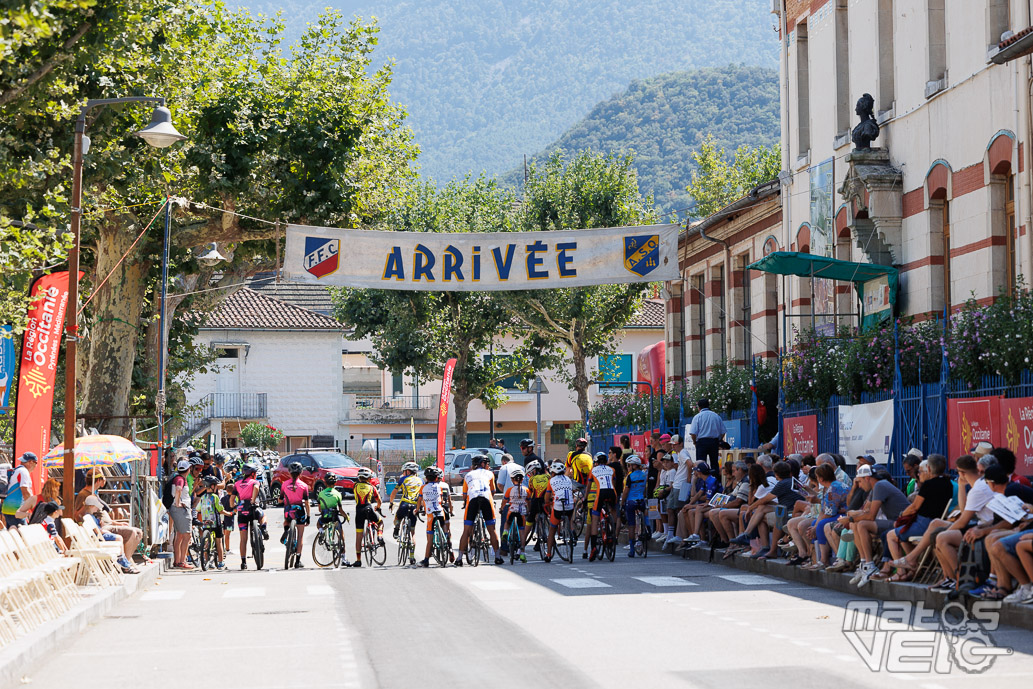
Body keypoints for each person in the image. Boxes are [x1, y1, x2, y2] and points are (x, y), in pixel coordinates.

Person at [457, 454, 502, 566]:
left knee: (466, 531)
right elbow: (493, 491)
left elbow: (464, 495)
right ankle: (497, 556)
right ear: (482, 464)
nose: (488, 466)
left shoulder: (468, 475)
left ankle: (459, 558)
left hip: (472, 499)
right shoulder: (490, 473)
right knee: (492, 530)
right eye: (487, 464)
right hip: (486, 498)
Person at [82, 496, 139, 573]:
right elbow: (96, 530)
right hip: (99, 537)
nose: (97, 509)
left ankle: (123, 560)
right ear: (92, 506)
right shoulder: (90, 517)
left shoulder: (90, 516)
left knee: (119, 538)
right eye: (96, 507)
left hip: (98, 537)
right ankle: (121, 560)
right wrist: (106, 531)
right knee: (119, 538)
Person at [234, 463, 270, 570]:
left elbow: (232, 498)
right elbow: (256, 488)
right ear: (253, 474)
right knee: (263, 516)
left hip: (241, 511)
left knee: (243, 539)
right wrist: (253, 500)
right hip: (253, 509)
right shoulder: (255, 482)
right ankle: (263, 528)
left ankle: (243, 562)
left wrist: (233, 505)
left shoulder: (237, 483)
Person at [418, 466, 452, 567]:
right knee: (445, 528)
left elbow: (420, 501)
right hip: (440, 512)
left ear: (426, 478)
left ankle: (426, 560)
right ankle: (447, 541)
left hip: (430, 514)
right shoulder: (440, 487)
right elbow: (441, 498)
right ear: (437, 478)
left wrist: (417, 509)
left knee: (429, 539)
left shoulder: (423, 488)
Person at [586, 452, 617, 561]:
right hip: (612, 493)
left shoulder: (593, 470)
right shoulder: (612, 470)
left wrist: (585, 498)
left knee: (595, 518)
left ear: (596, 462)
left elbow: (589, 487)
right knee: (612, 510)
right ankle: (613, 529)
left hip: (601, 493)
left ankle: (594, 547)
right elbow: (613, 483)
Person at [279, 462, 311, 568]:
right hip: (299, 510)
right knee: (300, 535)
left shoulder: (284, 484)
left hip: (288, 510)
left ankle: (286, 530)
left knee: (286, 520)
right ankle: (297, 561)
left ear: (289, 472)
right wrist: (308, 516)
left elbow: (280, 500)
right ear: (301, 472)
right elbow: (306, 503)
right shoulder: (304, 486)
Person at [352, 467, 384, 568]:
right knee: (380, 522)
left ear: (359, 478)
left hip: (359, 511)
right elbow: (379, 500)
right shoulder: (372, 487)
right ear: (369, 478)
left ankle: (358, 560)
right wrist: (378, 507)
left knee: (358, 536)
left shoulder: (355, 486)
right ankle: (379, 536)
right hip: (369, 508)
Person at [544, 461, 576, 563]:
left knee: (552, 530)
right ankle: (572, 532)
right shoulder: (568, 479)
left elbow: (547, 497)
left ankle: (548, 554)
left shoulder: (551, 481)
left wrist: (547, 502)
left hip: (558, 507)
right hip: (570, 505)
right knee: (570, 518)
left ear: (552, 473)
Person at [195, 476, 227, 570]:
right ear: (212, 486)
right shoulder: (215, 497)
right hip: (215, 523)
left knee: (206, 542)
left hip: (205, 523)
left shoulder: (203, 497)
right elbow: (220, 509)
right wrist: (228, 513)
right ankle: (221, 562)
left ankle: (205, 560)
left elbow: (198, 509)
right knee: (219, 541)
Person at [316, 480, 350, 566]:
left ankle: (321, 531)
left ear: (325, 483)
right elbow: (341, 510)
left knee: (318, 523)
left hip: (325, 517)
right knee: (341, 534)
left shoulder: (321, 493)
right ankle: (344, 558)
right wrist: (346, 516)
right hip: (334, 518)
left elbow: (319, 509)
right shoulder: (338, 494)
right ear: (335, 483)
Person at [499, 465, 530, 562]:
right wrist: (528, 510)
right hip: (522, 512)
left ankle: (505, 532)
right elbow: (528, 501)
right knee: (521, 531)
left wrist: (502, 508)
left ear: (512, 480)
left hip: (512, 510)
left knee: (507, 522)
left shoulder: (509, 490)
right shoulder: (526, 490)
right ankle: (523, 553)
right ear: (522, 479)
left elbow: (504, 501)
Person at [620, 455, 648, 558]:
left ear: (633, 466)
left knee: (631, 525)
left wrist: (622, 502)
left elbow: (626, 491)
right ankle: (647, 526)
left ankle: (632, 550)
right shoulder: (644, 475)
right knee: (645, 511)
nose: (628, 467)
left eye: (629, 465)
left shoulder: (630, 476)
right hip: (641, 500)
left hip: (631, 501)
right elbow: (644, 488)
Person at [2, 452, 38, 527]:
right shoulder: (23, 472)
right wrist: (34, 507)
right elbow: (25, 492)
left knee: (13, 535)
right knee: (22, 535)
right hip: (16, 510)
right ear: (30, 462)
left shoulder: (17, 470)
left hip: (8, 508)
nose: (36, 466)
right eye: (36, 463)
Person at [389, 461, 423, 540]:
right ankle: (411, 550)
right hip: (415, 506)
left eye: (404, 471)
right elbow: (422, 496)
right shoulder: (421, 481)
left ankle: (397, 528)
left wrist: (391, 503)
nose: (403, 473)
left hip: (404, 504)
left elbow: (393, 493)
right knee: (412, 532)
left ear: (408, 471)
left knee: (398, 517)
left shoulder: (403, 479)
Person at [689, 399, 725, 470]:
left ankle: (702, 479)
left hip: (702, 442)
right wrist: (719, 440)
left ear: (699, 408)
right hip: (714, 442)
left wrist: (695, 442)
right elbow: (723, 432)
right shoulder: (716, 416)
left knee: (701, 464)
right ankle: (715, 479)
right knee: (714, 463)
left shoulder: (697, 417)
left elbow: (693, 433)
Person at [526, 460, 550, 552]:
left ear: (534, 471)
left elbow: (531, 491)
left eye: (530, 474)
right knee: (550, 520)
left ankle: (522, 545)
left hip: (536, 502)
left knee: (530, 520)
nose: (529, 476)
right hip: (546, 502)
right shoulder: (548, 476)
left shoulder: (532, 479)